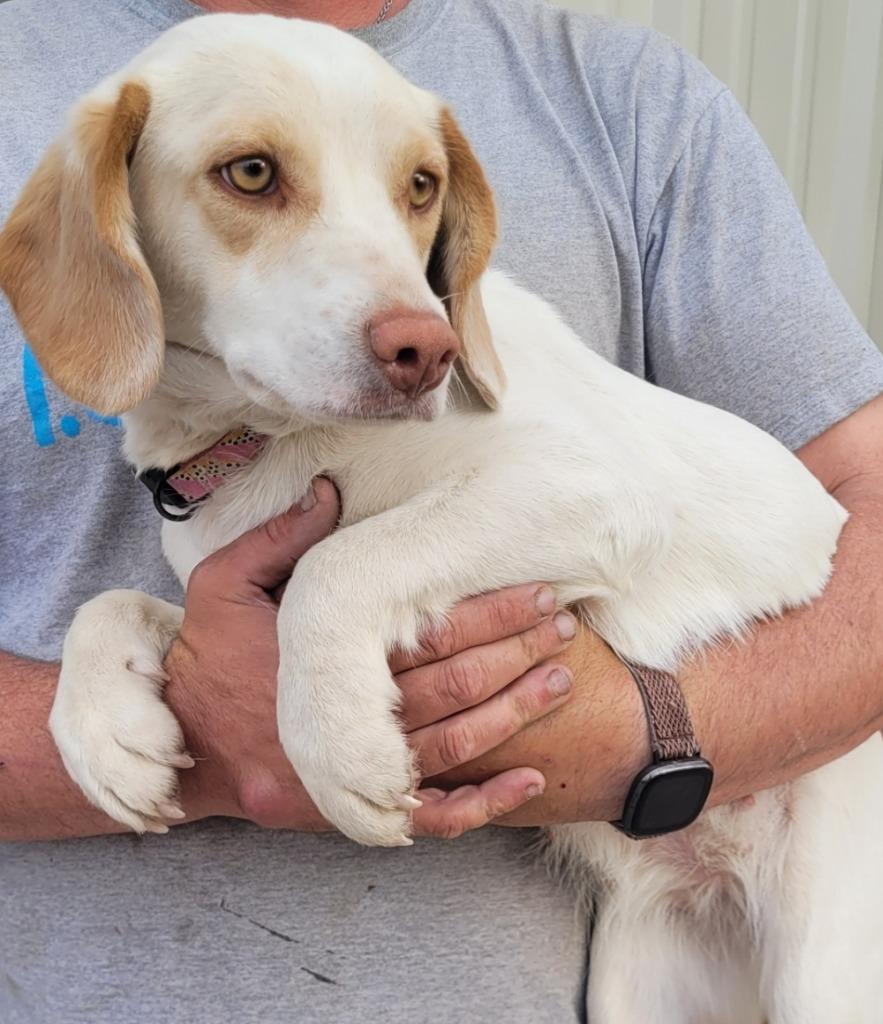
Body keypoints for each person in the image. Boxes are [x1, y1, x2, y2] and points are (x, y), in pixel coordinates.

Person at [1, 0, 882, 1020]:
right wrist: (176, 709)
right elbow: (223, 654)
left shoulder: (623, 97)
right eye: (253, 175)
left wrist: (637, 735)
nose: (408, 320)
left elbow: (597, 498)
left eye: (415, 188)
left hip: (807, 797)